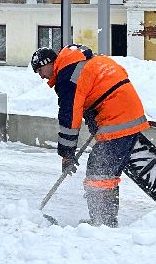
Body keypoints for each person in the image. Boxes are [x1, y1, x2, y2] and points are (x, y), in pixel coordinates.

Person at [31, 44, 149, 227]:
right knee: (105, 171)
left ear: (49, 63)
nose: (41, 75)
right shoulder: (81, 62)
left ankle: (103, 222)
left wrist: (66, 154)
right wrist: (94, 119)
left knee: (99, 171)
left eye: (40, 69)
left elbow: (69, 116)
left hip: (117, 118)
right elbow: (98, 89)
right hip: (125, 112)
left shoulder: (68, 75)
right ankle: (104, 219)